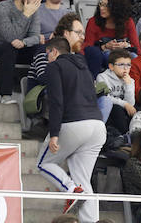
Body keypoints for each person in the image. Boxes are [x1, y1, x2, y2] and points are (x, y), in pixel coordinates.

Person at [37, 36, 107, 223]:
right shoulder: (84, 66)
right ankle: (91, 220)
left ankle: (70, 189)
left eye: (47, 54)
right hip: (98, 126)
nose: (47, 58)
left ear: (54, 52)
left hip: (74, 122)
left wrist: (54, 134)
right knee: (84, 180)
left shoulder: (54, 66)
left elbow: (56, 101)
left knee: (43, 163)